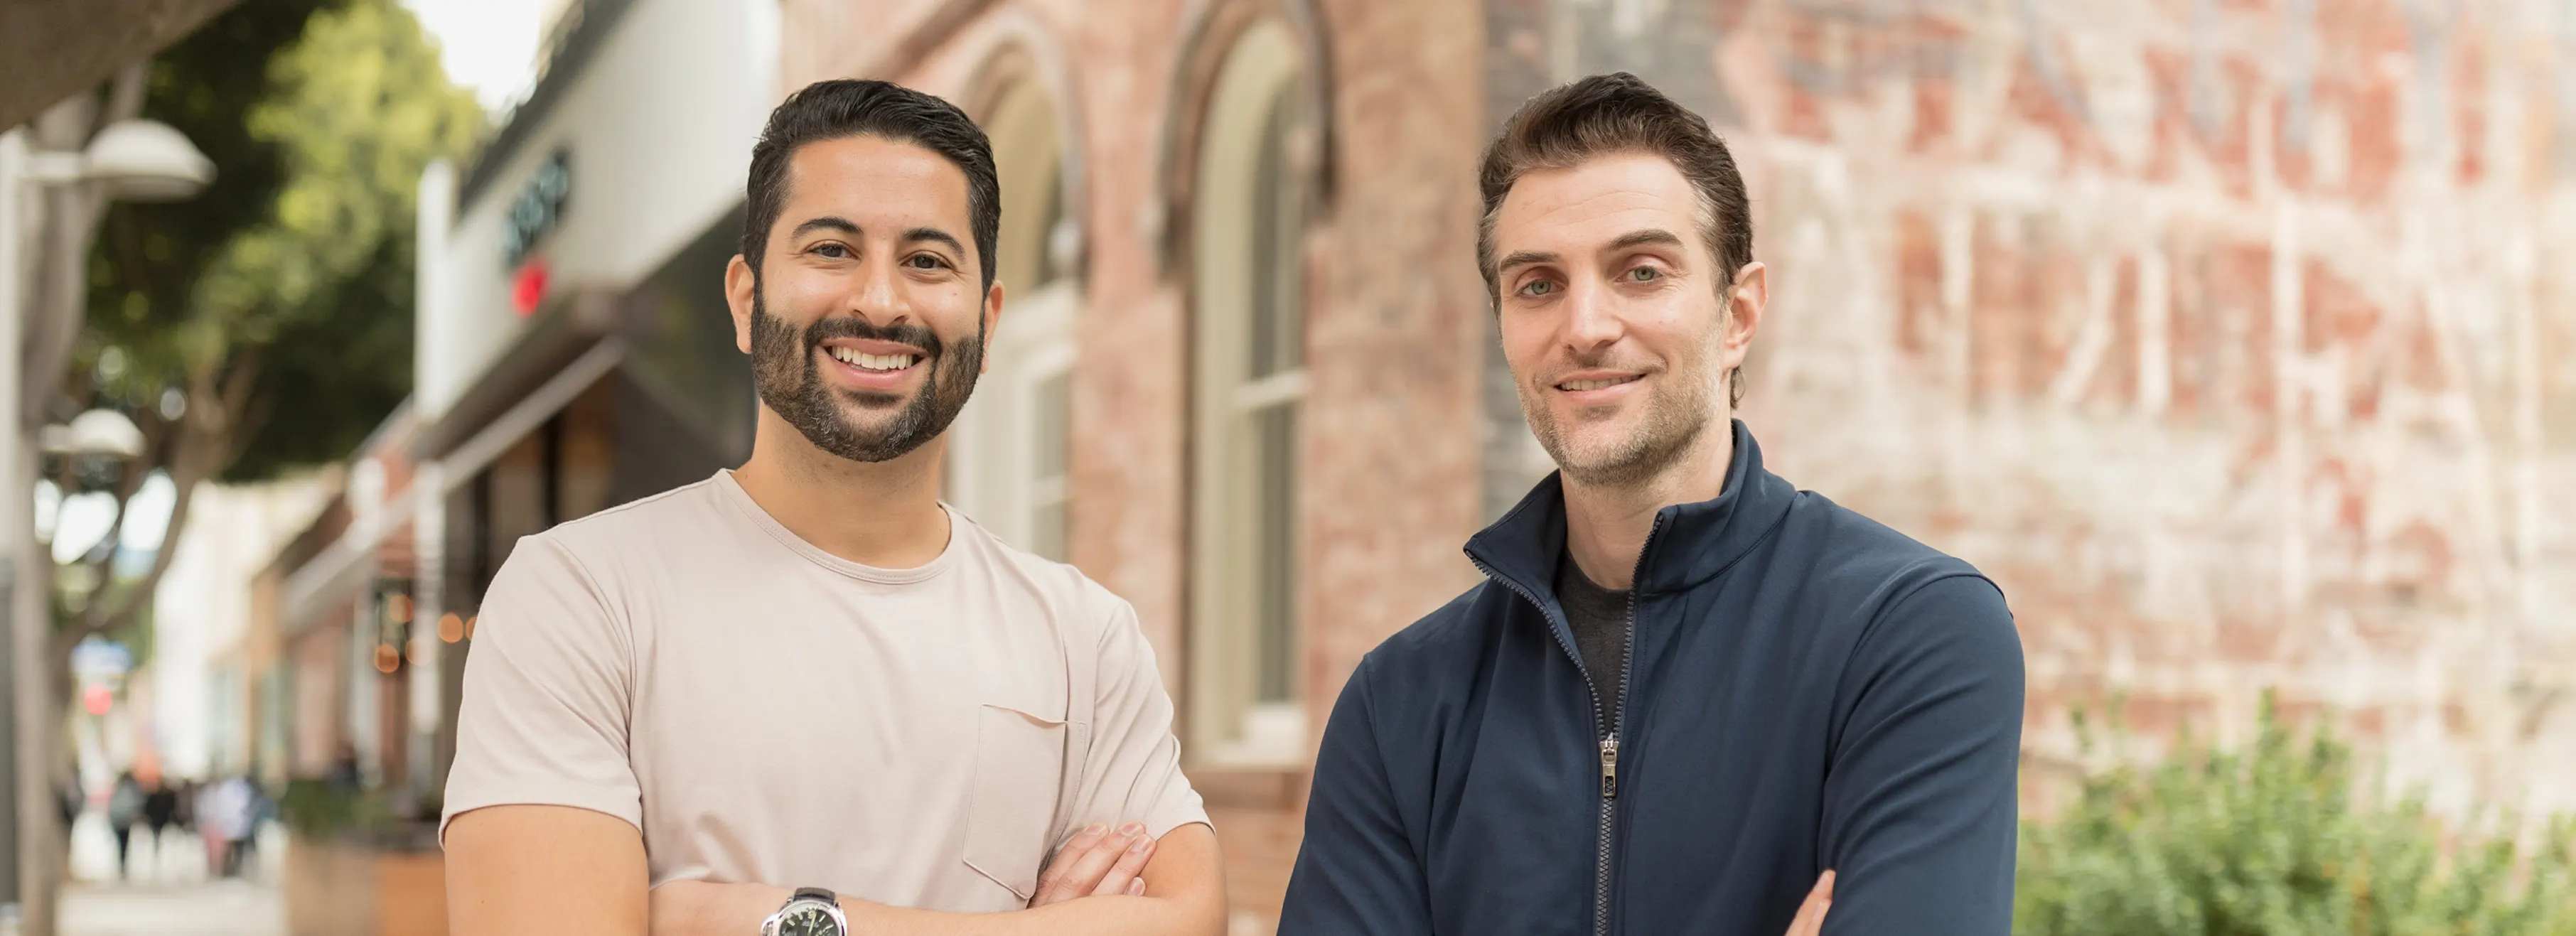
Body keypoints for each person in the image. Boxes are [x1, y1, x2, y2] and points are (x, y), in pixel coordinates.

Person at [440, 78, 1223, 936]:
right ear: (746, 301)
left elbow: (1191, 919)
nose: (880, 303)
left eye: (927, 261)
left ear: (988, 322)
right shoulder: (579, 597)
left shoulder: (1085, 637)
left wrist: (759, 923)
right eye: (831, 250)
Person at [1279, 72, 2025, 935]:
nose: (1586, 325)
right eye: (1537, 284)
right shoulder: (1402, 701)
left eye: (1640, 271)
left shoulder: (1911, 634)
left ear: (1738, 314)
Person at [106, 770, 144, 881]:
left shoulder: (119, 789)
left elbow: (113, 805)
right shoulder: (131, 790)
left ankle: (122, 866)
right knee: (124, 844)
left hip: (120, 821)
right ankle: (123, 866)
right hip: (125, 822)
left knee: (121, 845)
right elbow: (136, 804)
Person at [141, 774, 179, 879]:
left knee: (162, 843)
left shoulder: (163, 795)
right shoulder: (157, 795)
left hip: (161, 822)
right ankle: (159, 862)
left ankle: (164, 863)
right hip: (158, 822)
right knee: (159, 842)